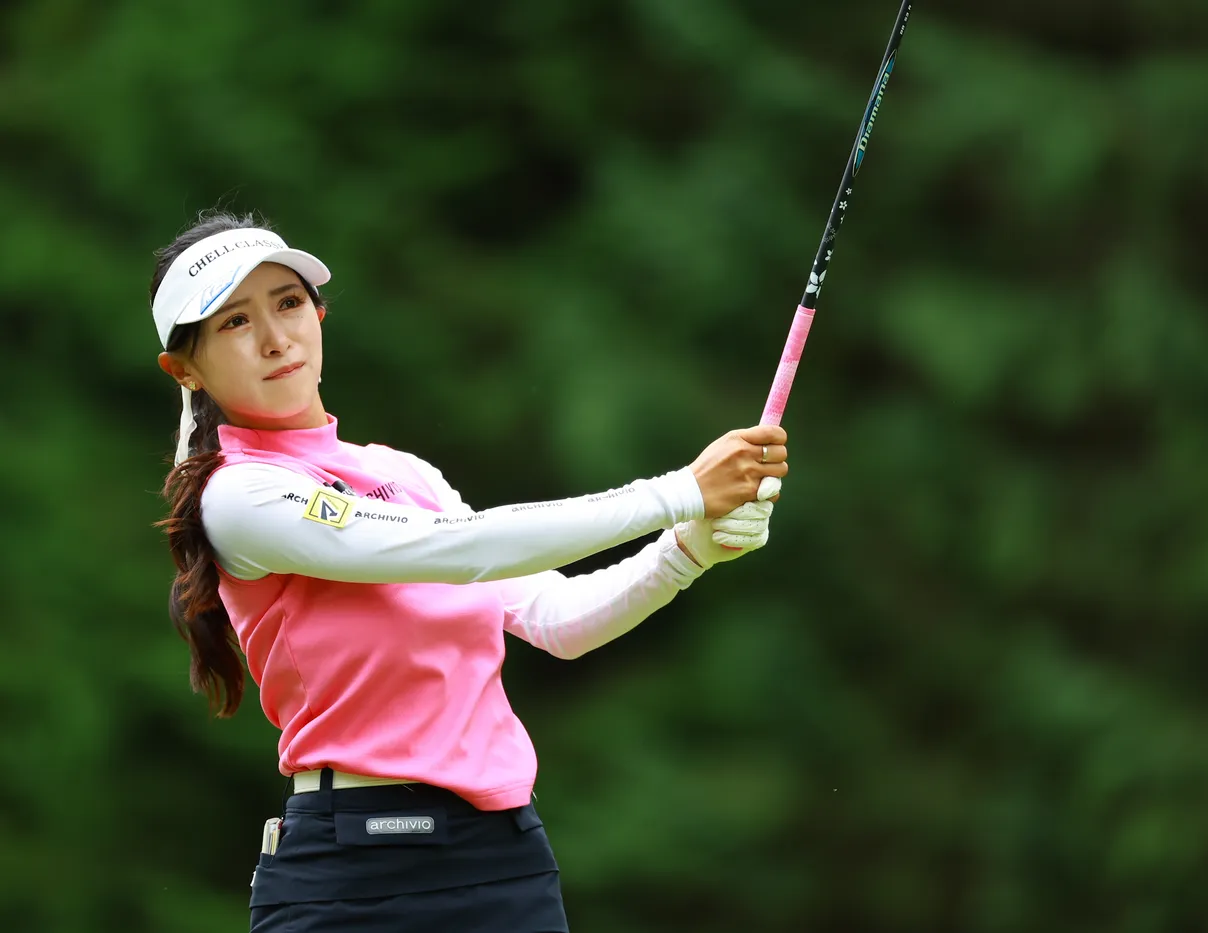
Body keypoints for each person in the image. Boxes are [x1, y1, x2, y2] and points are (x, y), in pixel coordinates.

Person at [150, 210, 789, 932]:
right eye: (235, 322)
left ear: (319, 315)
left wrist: (689, 549)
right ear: (186, 368)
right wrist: (678, 493)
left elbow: (558, 621)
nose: (275, 337)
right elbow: (459, 548)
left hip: (504, 860)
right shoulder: (238, 494)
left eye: (289, 303)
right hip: (354, 872)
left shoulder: (405, 474)